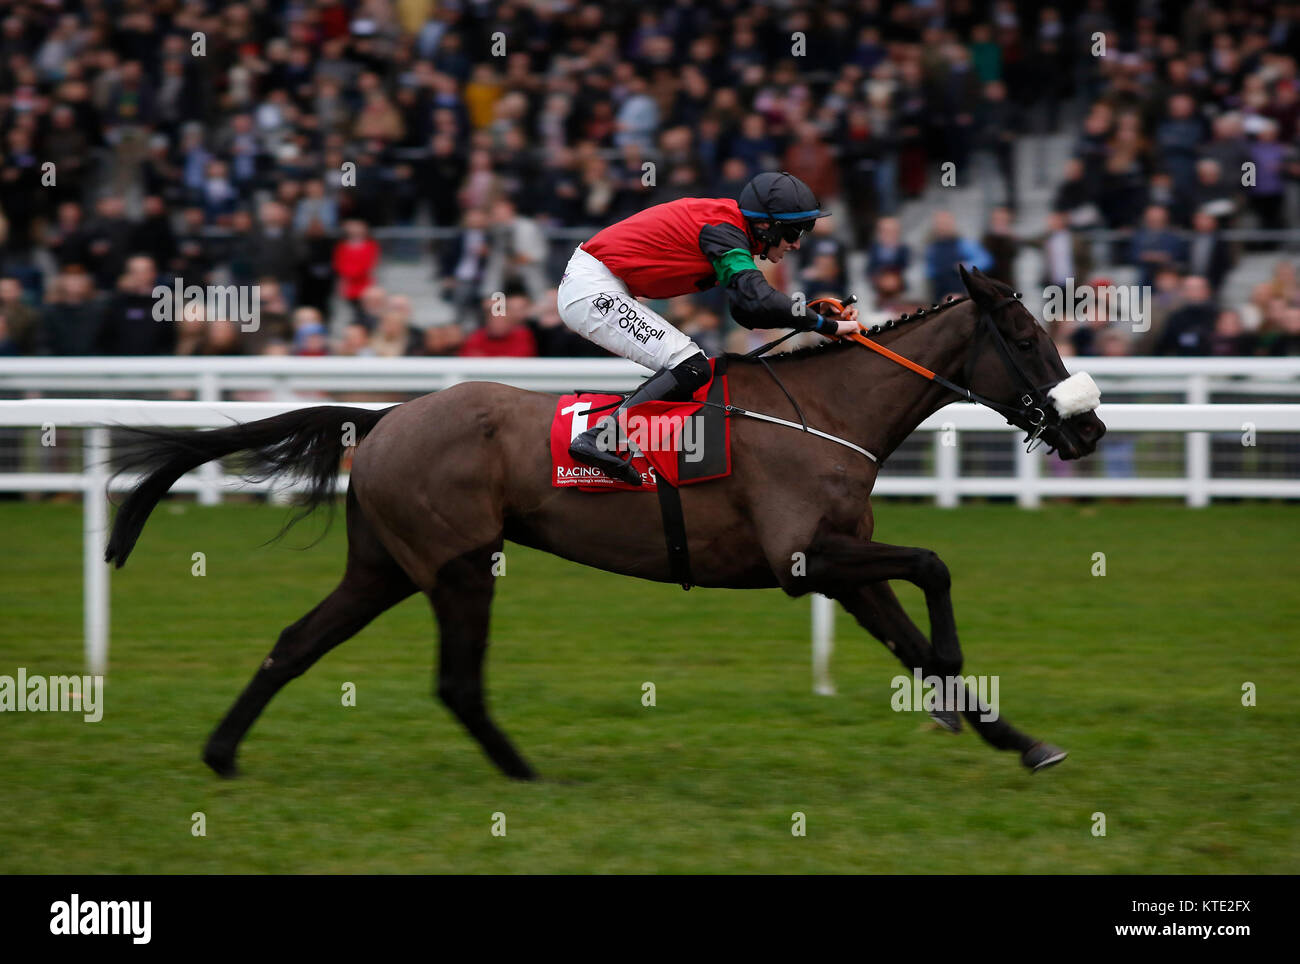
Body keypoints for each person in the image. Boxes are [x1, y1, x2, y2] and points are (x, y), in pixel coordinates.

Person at [557, 171, 860, 485]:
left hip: (599, 282)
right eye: (796, 230)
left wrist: (811, 313)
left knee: (693, 366)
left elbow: (748, 311)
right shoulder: (724, 231)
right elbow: (757, 298)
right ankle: (598, 439)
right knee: (691, 366)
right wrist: (824, 324)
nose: (797, 244)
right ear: (767, 226)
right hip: (592, 287)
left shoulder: (734, 232)